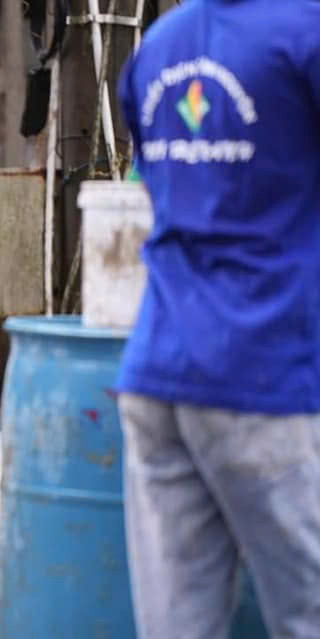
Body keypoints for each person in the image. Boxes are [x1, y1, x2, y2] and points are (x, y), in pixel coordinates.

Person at [116, 1, 320, 638]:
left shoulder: (158, 45)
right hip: (268, 370)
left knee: (178, 623)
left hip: (159, 366)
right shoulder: (307, 32)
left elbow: (157, 188)